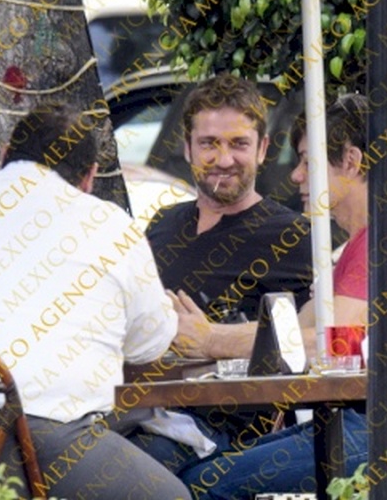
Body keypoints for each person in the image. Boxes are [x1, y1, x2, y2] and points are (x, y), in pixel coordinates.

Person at [0, 104, 191, 500]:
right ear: (90, 176)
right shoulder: (108, 223)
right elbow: (151, 344)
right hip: (26, 434)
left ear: (4, 154)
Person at [176, 93, 387, 499]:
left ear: (350, 161)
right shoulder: (374, 238)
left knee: (199, 484)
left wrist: (210, 339)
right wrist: (206, 334)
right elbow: (296, 331)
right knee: (201, 472)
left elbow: (319, 343)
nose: (296, 176)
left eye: (308, 162)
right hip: (369, 423)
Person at [130, 73, 314, 473]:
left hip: (217, 432)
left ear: (262, 149)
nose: (224, 159)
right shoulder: (163, 223)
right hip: (133, 409)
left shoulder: (291, 236)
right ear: (188, 148)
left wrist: (211, 338)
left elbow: (307, 341)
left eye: (238, 144)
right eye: (209, 144)